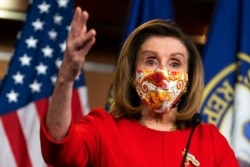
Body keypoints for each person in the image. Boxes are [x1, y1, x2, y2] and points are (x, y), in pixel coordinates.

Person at [40, 7, 239, 167]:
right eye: (151, 61)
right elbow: (58, 147)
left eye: (175, 63)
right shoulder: (104, 128)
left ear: (189, 78)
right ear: (133, 73)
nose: (161, 72)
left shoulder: (209, 141)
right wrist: (66, 77)